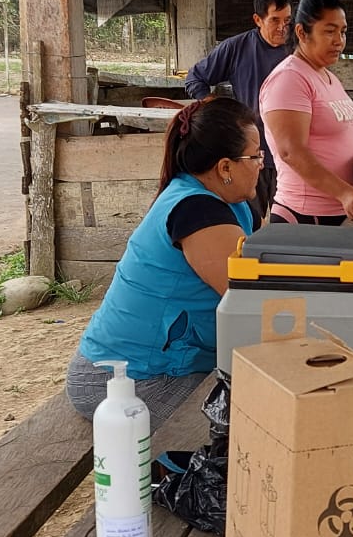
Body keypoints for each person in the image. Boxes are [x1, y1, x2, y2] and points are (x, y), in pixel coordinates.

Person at [68, 97, 263, 422]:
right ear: (225, 167)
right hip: (123, 379)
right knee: (258, 415)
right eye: (255, 156)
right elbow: (251, 301)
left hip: (167, 365)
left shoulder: (228, 201)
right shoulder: (197, 212)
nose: (261, 164)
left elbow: (271, 264)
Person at [259, 0, 353, 224]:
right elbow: (291, 151)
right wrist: (344, 192)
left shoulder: (328, 77)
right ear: (301, 32)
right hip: (305, 216)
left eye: (343, 32)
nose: (339, 41)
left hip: (337, 213)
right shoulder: (289, 78)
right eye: (329, 31)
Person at [183, 0, 294, 217]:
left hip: (290, 155)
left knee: (288, 226)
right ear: (258, 20)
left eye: (287, 20)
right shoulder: (236, 48)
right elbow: (195, 78)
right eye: (275, 20)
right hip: (249, 153)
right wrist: (211, 104)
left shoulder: (299, 49)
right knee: (247, 221)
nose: (282, 28)